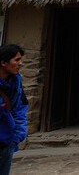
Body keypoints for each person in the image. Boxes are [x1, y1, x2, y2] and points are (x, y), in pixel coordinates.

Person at [0, 44, 28, 175]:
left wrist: (16, 136)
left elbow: (20, 108)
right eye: (17, 60)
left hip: (7, 142)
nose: (20, 64)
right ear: (3, 62)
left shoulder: (16, 84)